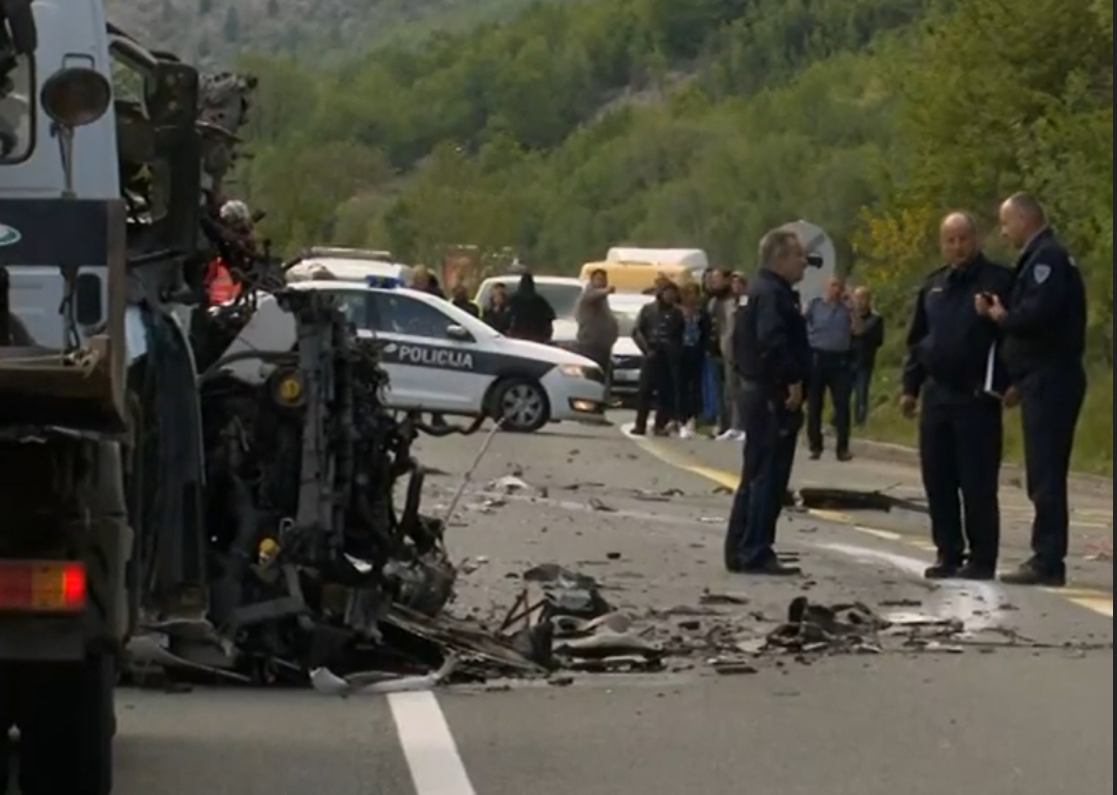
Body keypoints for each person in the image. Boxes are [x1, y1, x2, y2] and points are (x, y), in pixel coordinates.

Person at [976, 192, 1088, 587]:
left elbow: (1037, 317)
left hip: (1052, 378)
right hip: (1039, 377)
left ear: (1025, 219)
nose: (1004, 232)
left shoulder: (1047, 260)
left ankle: (1048, 559)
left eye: (1007, 223)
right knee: (1041, 470)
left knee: (1046, 472)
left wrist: (999, 315)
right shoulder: (1039, 258)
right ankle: (1046, 554)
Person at [901, 212, 1014, 580]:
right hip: (937, 396)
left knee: (977, 482)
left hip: (976, 396)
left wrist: (1013, 381)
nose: (957, 246)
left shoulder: (998, 281)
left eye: (963, 238)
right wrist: (910, 387)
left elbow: (1015, 336)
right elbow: (918, 340)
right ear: (942, 244)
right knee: (938, 479)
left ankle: (982, 558)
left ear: (976, 239)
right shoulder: (934, 285)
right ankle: (948, 552)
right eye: (950, 240)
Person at [724, 227, 810, 576]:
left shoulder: (755, 292)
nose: (804, 262)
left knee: (755, 471)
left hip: (754, 388)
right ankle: (755, 549)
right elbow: (773, 340)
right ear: (780, 257)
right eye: (798, 255)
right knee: (768, 474)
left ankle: (739, 547)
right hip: (770, 392)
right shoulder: (773, 294)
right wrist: (791, 379)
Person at [803, 277, 855, 461]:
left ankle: (842, 448)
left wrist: (852, 309)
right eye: (833, 286)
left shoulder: (846, 309)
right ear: (826, 287)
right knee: (814, 404)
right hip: (817, 356)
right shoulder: (815, 306)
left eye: (840, 287)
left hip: (839, 360)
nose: (836, 290)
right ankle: (815, 445)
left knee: (842, 404)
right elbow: (802, 324)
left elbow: (858, 330)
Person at [631, 281, 685, 436]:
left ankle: (660, 424)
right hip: (651, 354)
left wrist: (675, 351)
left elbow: (679, 336)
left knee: (665, 392)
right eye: (667, 293)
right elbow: (637, 331)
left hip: (668, 357)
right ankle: (640, 424)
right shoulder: (648, 310)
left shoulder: (677, 313)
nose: (670, 296)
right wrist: (646, 349)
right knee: (645, 391)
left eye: (673, 293)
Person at [705, 269, 741, 441]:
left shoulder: (734, 302)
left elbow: (732, 329)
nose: (714, 283)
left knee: (732, 390)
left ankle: (736, 425)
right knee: (719, 391)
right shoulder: (713, 302)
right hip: (714, 350)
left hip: (730, 352)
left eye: (717, 279)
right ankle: (722, 424)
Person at [678, 281, 712, 438]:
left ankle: (693, 418)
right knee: (681, 386)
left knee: (696, 386)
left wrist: (706, 347)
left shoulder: (702, 314)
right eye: (689, 293)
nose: (692, 297)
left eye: (695, 293)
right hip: (680, 351)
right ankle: (680, 418)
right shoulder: (678, 312)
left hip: (696, 351)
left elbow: (706, 331)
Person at [575, 268, 619, 383]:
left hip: (603, 346)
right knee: (591, 376)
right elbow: (591, 297)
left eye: (604, 279)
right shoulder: (588, 295)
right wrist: (606, 291)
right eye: (599, 279)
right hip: (590, 344)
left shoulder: (602, 299)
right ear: (592, 280)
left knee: (603, 377)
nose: (602, 282)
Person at [850, 286, 884, 426]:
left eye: (862, 298)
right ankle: (838, 420)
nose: (859, 301)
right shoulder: (847, 317)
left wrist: (854, 317)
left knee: (861, 393)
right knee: (842, 393)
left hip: (864, 361)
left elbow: (861, 331)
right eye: (857, 298)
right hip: (848, 359)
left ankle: (860, 422)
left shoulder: (875, 319)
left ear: (869, 300)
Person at [507, 272, 556, 343]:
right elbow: (550, 317)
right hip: (535, 336)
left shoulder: (513, 300)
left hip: (519, 336)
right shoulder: (540, 301)